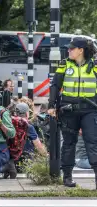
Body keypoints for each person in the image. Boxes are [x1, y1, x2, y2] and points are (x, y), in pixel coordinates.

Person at [48, 37, 97, 188]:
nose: (68, 50)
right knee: (68, 143)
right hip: (68, 109)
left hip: (90, 109)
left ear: (81, 50)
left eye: (71, 48)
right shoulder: (64, 65)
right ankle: (67, 177)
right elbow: (55, 85)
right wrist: (52, 106)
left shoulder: (95, 66)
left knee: (92, 143)